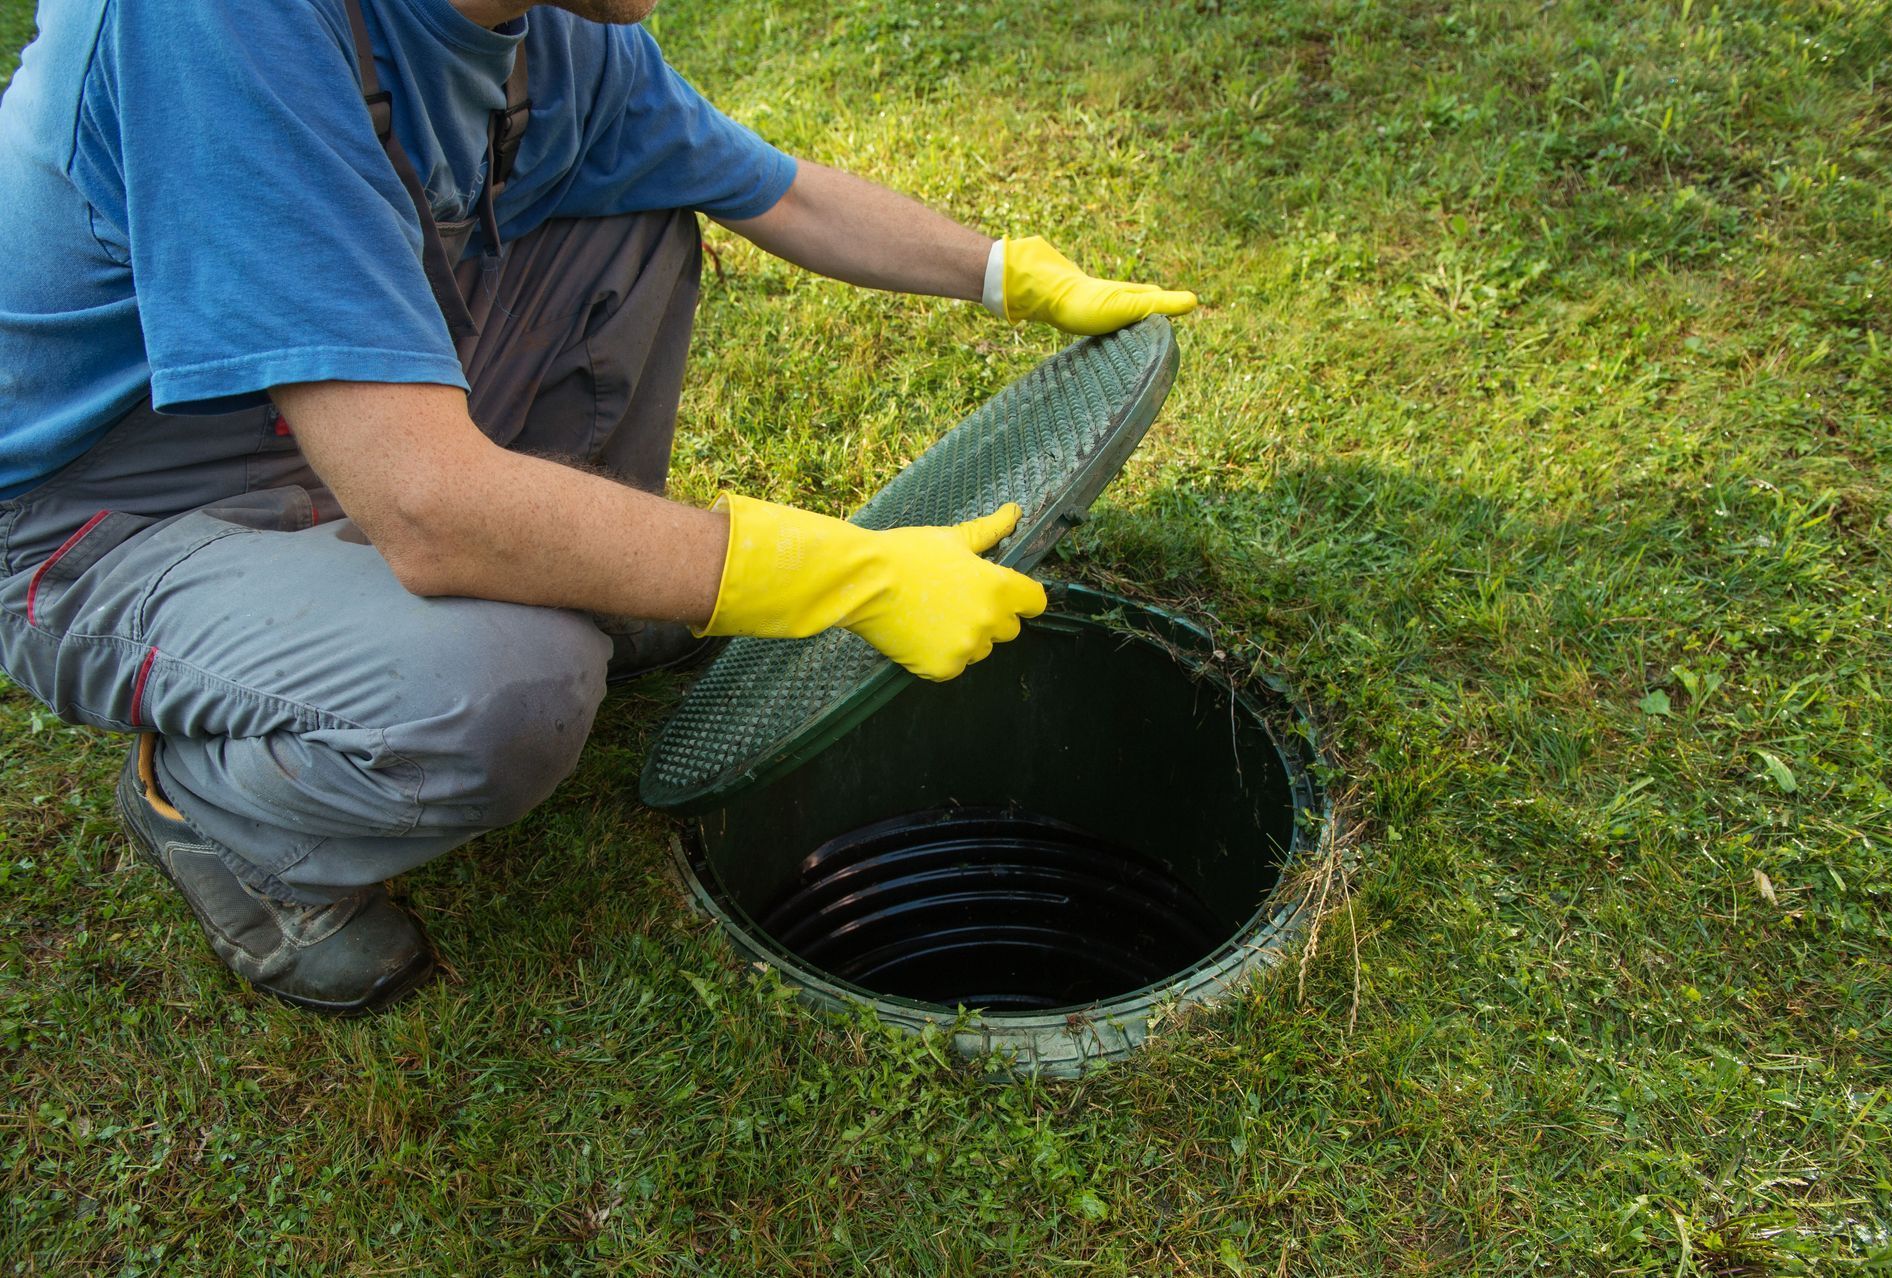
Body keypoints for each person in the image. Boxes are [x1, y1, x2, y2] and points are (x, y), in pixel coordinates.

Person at [0, 0, 1197, 1014]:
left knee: (631, 215)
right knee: (500, 687)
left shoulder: (544, 28)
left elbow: (773, 190)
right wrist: (842, 573)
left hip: (340, 424)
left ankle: (577, 590)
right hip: (111, 517)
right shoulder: (213, 29)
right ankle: (210, 813)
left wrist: (1009, 273)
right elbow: (427, 507)